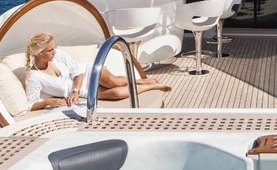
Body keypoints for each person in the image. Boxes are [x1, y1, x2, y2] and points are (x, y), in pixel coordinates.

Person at [24, 32, 170, 111]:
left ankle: (143, 80)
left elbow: (77, 72)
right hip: (83, 92)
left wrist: (75, 91)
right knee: (117, 93)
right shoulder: (34, 76)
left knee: (114, 82)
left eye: (53, 48)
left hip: (85, 75)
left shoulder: (59, 55)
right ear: (38, 53)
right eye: (50, 50)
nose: (54, 52)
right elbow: (31, 104)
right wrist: (48, 102)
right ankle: (152, 85)